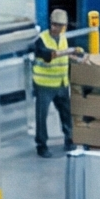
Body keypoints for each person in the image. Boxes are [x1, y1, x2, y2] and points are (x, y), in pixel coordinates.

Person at [33, 8, 72, 156]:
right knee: (42, 116)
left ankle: (69, 139)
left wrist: (75, 55)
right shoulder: (42, 40)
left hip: (61, 83)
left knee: (66, 113)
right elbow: (47, 55)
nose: (56, 28)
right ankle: (41, 146)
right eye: (54, 25)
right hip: (44, 85)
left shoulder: (63, 38)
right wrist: (71, 51)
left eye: (60, 26)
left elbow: (64, 58)